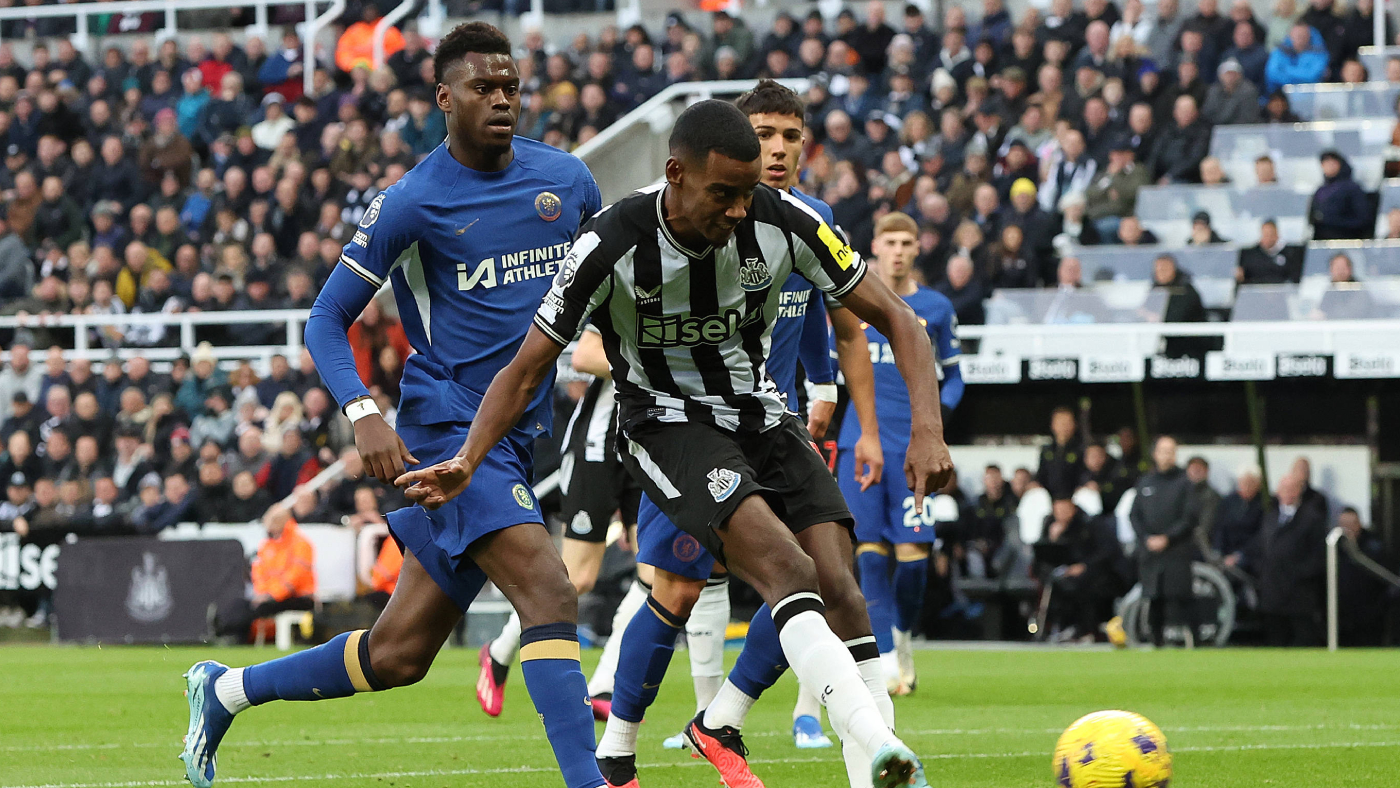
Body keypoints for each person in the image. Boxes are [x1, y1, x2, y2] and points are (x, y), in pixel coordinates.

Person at [397, 99, 949, 788]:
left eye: (748, 193)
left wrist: (927, 429)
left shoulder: (786, 220)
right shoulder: (609, 242)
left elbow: (899, 319)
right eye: (724, 194)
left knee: (841, 588)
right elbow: (527, 366)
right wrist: (467, 459)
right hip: (666, 425)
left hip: (760, 414)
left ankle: (865, 764)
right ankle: (875, 744)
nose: (740, 210)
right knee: (779, 571)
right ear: (676, 174)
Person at [178, 24, 611, 788]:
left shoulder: (568, 181)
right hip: (449, 429)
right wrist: (362, 411)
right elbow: (325, 318)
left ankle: (226, 690)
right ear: (444, 98)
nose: (502, 99)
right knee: (549, 592)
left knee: (399, 654)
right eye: (483, 87)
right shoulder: (412, 201)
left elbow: (605, 292)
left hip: (517, 434)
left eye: (510, 87)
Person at [585, 80, 885, 782]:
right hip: (683, 426)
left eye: (790, 136)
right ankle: (620, 747)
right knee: (677, 589)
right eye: (764, 135)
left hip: (770, 422)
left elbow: (838, 326)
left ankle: (724, 718)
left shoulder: (807, 222)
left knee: (817, 577)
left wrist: (830, 395)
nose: (777, 150)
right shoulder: (669, 227)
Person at [843, 211, 963, 697]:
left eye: (905, 243)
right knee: (869, 554)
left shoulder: (936, 307)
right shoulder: (851, 299)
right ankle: (887, 662)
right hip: (860, 443)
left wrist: (933, 423)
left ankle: (903, 636)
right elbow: (831, 368)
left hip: (914, 449)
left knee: (914, 562)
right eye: (889, 242)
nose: (897, 251)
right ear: (875, 246)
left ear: (917, 248)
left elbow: (954, 378)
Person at [1230, 472, 1328, 646]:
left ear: (1299, 491)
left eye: (1292, 489)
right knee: (1276, 639)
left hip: (1300, 594)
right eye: (1284, 489)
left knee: (1303, 639)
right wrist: (1245, 559)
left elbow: (1319, 556)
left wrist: (1299, 573)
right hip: (1273, 591)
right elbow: (1259, 545)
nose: (1288, 493)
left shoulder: (1312, 518)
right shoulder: (1271, 516)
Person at [1130, 436, 1200, 647]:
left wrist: (1167, 538)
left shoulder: (1185, 483)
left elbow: (1190, 517)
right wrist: (1146, 538)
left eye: (1171, 451)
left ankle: (1195, 642)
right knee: (1154, 599)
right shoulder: (1145, 482)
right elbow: (1135, 515)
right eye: (1163, 450)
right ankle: (1156, 643)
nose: (1167, 455)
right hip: (1150, 553)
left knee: (1181, 598)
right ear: (1155, 454)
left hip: (1176, 552)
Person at [213, 503, 316, 640]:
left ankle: (235, 635)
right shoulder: (267, 545)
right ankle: (226, 631)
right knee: (239, 604)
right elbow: (259, 573)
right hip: (272, 596)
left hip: (298, 597)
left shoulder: (300, 544)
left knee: (258, 609)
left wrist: (271, 595)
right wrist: (262, 593)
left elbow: (295, 577)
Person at [1309, 150, 1373, 241]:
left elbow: (1363, 219)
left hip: (1346, 239)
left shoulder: (1352, 188)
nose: (1329, 166)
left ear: (1339, 164)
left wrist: (1332, 222)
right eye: (1325, 163)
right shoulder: (1320, 191)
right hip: (1321, 240)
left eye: (1332, 163)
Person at [1265, 22, 1328, 95]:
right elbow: (1272, 75)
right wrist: (1299, 77)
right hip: (1279, 95)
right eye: (1298, 36)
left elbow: (1312, 77)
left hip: (1311, 96)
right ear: (1290, 36)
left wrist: (1286, 69)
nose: (1300, 39)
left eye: (1303, 36)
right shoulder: (1279, 52)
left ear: (1309, 36)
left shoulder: (1318, 53)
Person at [1237, 219, 1304, 284]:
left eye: (1271, 234)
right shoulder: (1250, 256)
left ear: (1277, 234)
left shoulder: (1290, 254)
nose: (1268, 238)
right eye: (1265, 234)